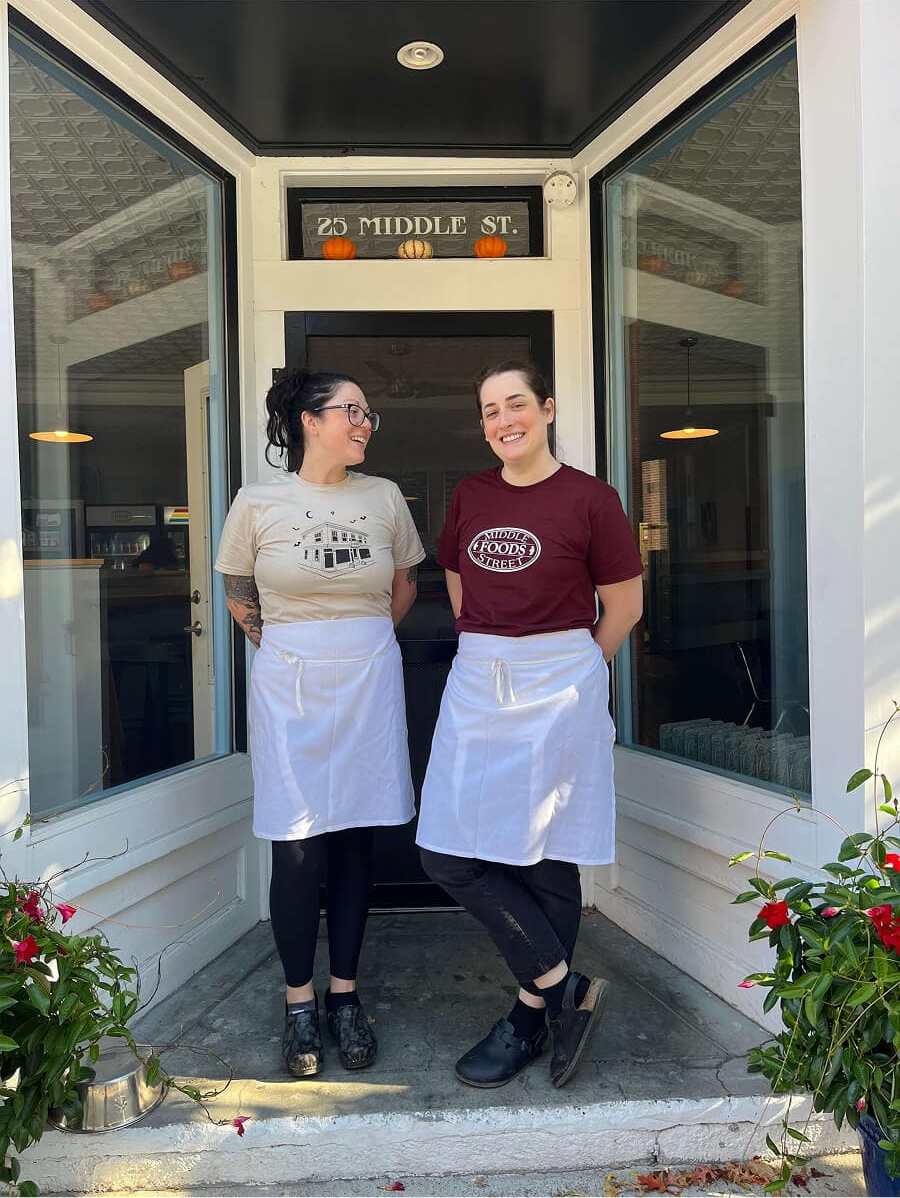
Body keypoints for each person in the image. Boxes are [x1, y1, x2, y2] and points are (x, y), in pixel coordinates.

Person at [417, 360, 643, 1090]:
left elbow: (625, 606)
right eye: (489, 410)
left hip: (561, 685)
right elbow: (458, 580)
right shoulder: (471, 496)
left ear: (545, 409)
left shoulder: (591, 498)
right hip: (480, 683)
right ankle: (563, 986)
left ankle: (525, 1017)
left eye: (516, 404)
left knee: (547, 853)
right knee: (447, 852)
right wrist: (493, 646)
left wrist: (575, 671)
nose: (504, 419)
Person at [215, 368, 424, 1079]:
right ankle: (298, 1000)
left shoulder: (385, 497)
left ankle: (344, 995)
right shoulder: (258, 500)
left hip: (367, 676)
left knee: (357, 835)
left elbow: (405, 585)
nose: (364, 423)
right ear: (310, 419)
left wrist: (360, 640)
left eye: (370, 413)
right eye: (351, 411)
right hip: (290, 682)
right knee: (298, 844)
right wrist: (280, 645)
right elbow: (237, 583)